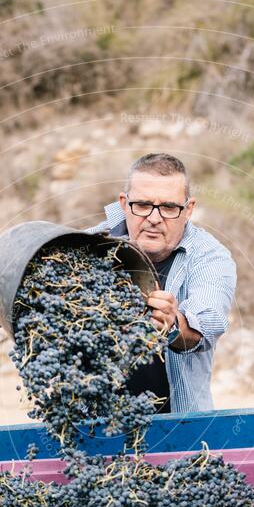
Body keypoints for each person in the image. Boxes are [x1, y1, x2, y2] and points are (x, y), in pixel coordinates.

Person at [87, 152, 236, 413]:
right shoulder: (88, 246)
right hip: (94, 424)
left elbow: (206, 326)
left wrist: (173, 324)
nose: (154, 218)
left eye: (168, 207)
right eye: (143, 205)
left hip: (176, 427)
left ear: (188, 209)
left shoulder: (210, 257)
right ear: (124, 203)